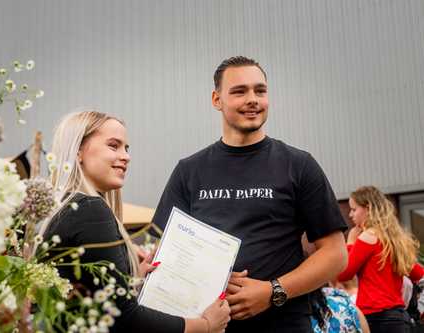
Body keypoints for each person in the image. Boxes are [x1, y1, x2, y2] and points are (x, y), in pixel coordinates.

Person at [152, 56, 348, 332]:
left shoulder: (298, 164)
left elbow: (336, 254)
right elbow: (162, 250)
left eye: (260, 90)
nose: (253, 99)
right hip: (210, 325)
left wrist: (273, 291)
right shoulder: (189, 171)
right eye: (239, 91)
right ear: (216, 99)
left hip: (284, 325)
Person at [40, 110, 230, 333]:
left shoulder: (66, 207)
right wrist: (205, 326)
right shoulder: (90, 210)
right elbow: (125, 318)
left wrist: (129, 278)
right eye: (113, 145)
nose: (126, 156)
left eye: (126, 148)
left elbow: (92, 295)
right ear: (78, 151)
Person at [338, 185, 424, 333]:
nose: (351, 215)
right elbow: (419, 274)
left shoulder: (367, 237)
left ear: (368, 208)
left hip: (376, 317)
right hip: (399, 317)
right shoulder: (394, 240)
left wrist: (351, 242)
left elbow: (344, 274)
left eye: (354, 209)